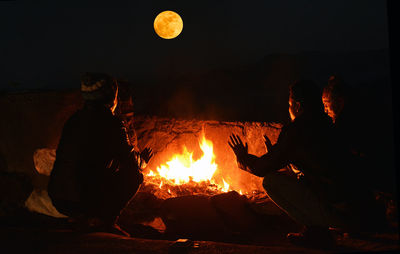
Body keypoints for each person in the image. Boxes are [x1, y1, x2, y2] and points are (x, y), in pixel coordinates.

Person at [228, 80, 387, 247]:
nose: (288, 109)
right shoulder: (329, 123)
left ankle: (316, 233)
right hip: (363, 208)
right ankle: (323, 230)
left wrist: (242, 157)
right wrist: (278, 153)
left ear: (296, 106)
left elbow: (261, 168)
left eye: (289, 105)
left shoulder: (297, 130)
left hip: (345, 213)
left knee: (271, 181)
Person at [48, 72, 153, 236]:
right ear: (111, 96)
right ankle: (105, 222)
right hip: (84, 197)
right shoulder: (111, 123)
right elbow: (130, 161)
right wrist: (142, 162)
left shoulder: (74, 119)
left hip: (59, 197)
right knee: (135, 176)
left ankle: (80, 217)